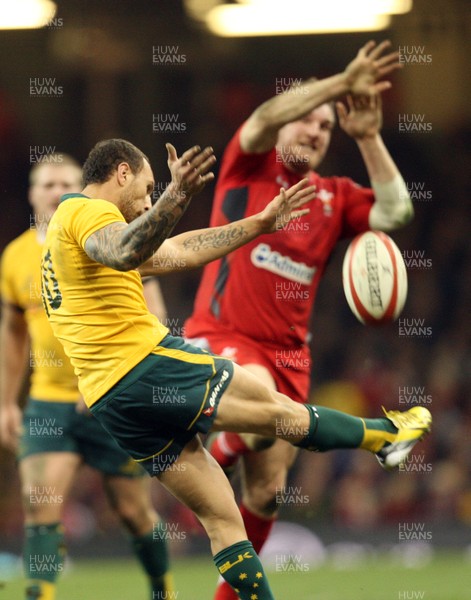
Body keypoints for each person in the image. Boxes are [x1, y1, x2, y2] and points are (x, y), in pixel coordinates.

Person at [40, 133, 430, 600]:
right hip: (144, 367)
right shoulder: (85, 211)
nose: (147, 203)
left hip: (113, 403)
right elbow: (125, 249)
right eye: (145, 189)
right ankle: (383, 437)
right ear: (120, 173)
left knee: (223, 520)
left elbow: (177, 251)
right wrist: (177, 193)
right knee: (279, 412)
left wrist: (259, 223)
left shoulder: (68, 242)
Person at [183, 40, 417, 599]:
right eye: (305, 120)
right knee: (261, 411)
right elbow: (264, 116)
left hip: (291, 355)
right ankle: (219, 441)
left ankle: (225, 455)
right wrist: (341, 83)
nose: (314, 131)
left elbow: (397, 211)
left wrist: (366, 135)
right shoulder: (247, 167)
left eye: (324, 127)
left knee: (265, 494)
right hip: (223, 336)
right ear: (285, 125)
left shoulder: (333, 198)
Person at [0, 156, 172, 600]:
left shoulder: (105, 238)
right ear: (32, 193)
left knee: (134, 513)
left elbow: (153, 312)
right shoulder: (15, 257)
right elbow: (14, 332)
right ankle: (40, 592)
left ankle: (162, 588)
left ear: (82, 189)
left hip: (110, 395)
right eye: (47, 183)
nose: (57, 190)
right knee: (40, 507)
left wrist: (114, 377)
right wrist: (4, 402)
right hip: (49, 404)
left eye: (66, 183)